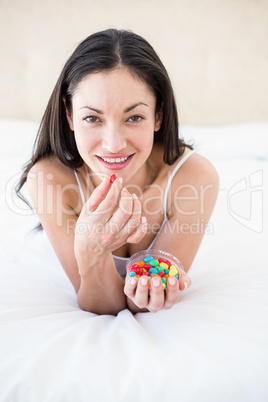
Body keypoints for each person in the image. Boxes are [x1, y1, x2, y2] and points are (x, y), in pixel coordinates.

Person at [16, 29, 219, 315]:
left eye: (134, 117)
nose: (113, 144)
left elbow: (139, 303)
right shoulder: (49, 179)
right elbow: (103, 304)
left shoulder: (194, 178)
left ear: (158, 115)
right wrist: (89, 252)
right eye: (92, 118)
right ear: (70, 115)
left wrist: (151, 292)